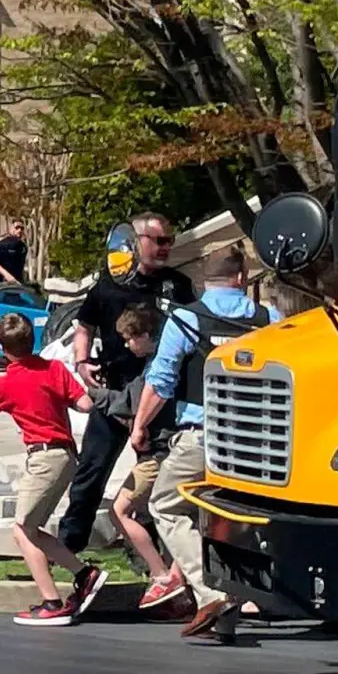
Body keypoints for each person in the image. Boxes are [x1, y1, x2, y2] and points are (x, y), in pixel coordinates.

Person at [137, 248, 280, 639]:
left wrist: (139, 427)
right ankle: (227, 618)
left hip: (205, 438)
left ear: (204, 281)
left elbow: (161, 382)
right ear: (242, 277)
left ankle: (209, 589)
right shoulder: (271, 321)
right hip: (261, 443)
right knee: (230, 518)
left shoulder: (186, 320)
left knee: (165, 505)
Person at [0, 313, 103, 626]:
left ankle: (52, 600)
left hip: (43, 457)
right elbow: (85, 404)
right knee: (33, 527)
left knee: (22, 530)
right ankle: (84, 574)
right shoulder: (54, 368)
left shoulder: (7, 383)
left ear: (1, 348)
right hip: (66, 455)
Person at [58, 211, 196, 553]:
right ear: (136, 242)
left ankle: (148, 554)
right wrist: (82, 361)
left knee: (151, 478)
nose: (165, 248)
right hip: (114, 390)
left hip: (158, 397)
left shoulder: (177, 285)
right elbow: (84, 325)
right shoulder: (109, 284)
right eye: (158, 241)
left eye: (170, 241)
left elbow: (196, 332)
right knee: (91, 470)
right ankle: (70, 546)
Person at [90, 304, 186, 610]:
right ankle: (176, 579)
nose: (128, 345)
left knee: (119, 511)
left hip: (157, 453)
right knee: (170, 516)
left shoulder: (155, 369)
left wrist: (89, 393)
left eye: (131, 339)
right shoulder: (171, 363)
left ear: (147, 335)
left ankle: (162, 575)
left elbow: (128, 403)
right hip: (168, 450)